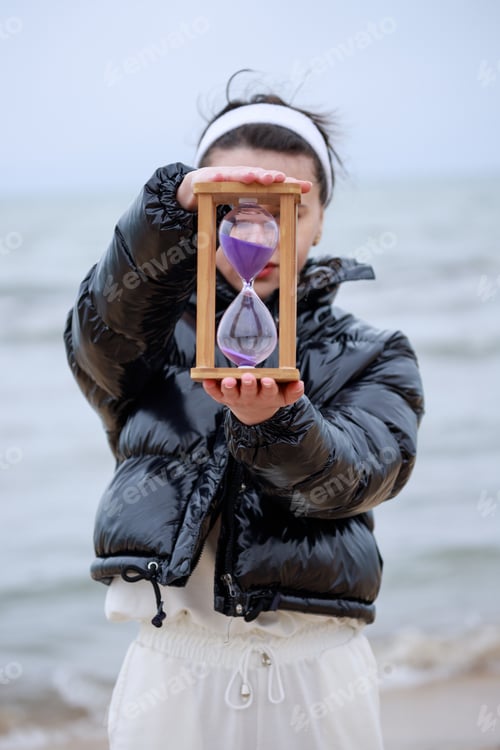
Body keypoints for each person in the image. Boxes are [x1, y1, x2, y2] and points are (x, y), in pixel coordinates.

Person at [64, 76, 424, 749]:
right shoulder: (154, 336)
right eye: (232, 208)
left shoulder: (376, 352)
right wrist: (163, 211)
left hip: (316, 673)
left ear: (316, 220)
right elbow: (98, 336)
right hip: (174, 668)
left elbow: (360, 474)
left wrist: (279, 427)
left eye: (283, 211)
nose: (257, 228)